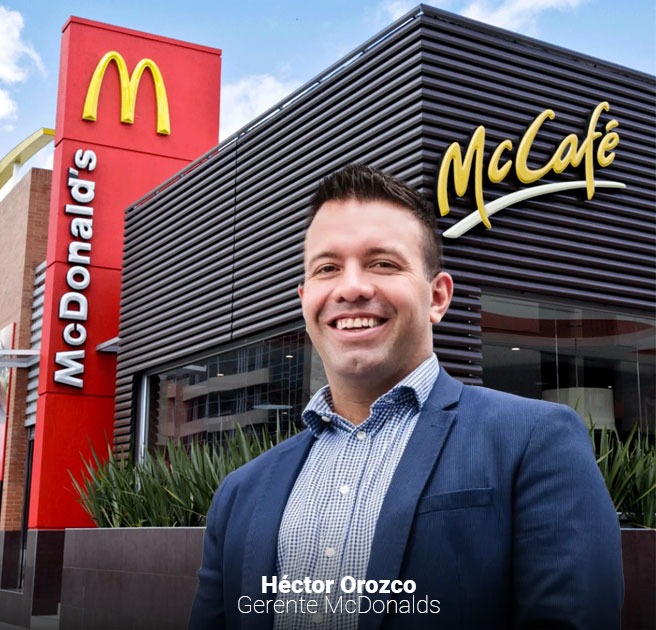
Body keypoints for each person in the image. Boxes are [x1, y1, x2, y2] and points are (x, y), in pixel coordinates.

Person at [188, 164, 623, 630]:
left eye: (383, 263)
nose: (351, 287)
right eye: (327, 268)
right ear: (304, 298)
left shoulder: (536, 441)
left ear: (437, 297)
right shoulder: (239, 491)